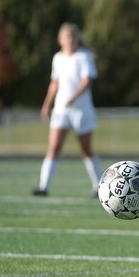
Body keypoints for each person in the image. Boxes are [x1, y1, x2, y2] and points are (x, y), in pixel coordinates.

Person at [32, 22, 101, 198]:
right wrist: (47, 104)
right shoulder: (58, 58)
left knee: (85, 149)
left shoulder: (84, 57)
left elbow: (87, 81)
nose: (70, 40)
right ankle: (43, 186)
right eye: (67, 37)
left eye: (73, 37)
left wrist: (74, 97)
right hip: (61, 110)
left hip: (81, 110)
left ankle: (98, 185)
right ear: (60, 40)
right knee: (54, 146)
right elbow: (54, 83)